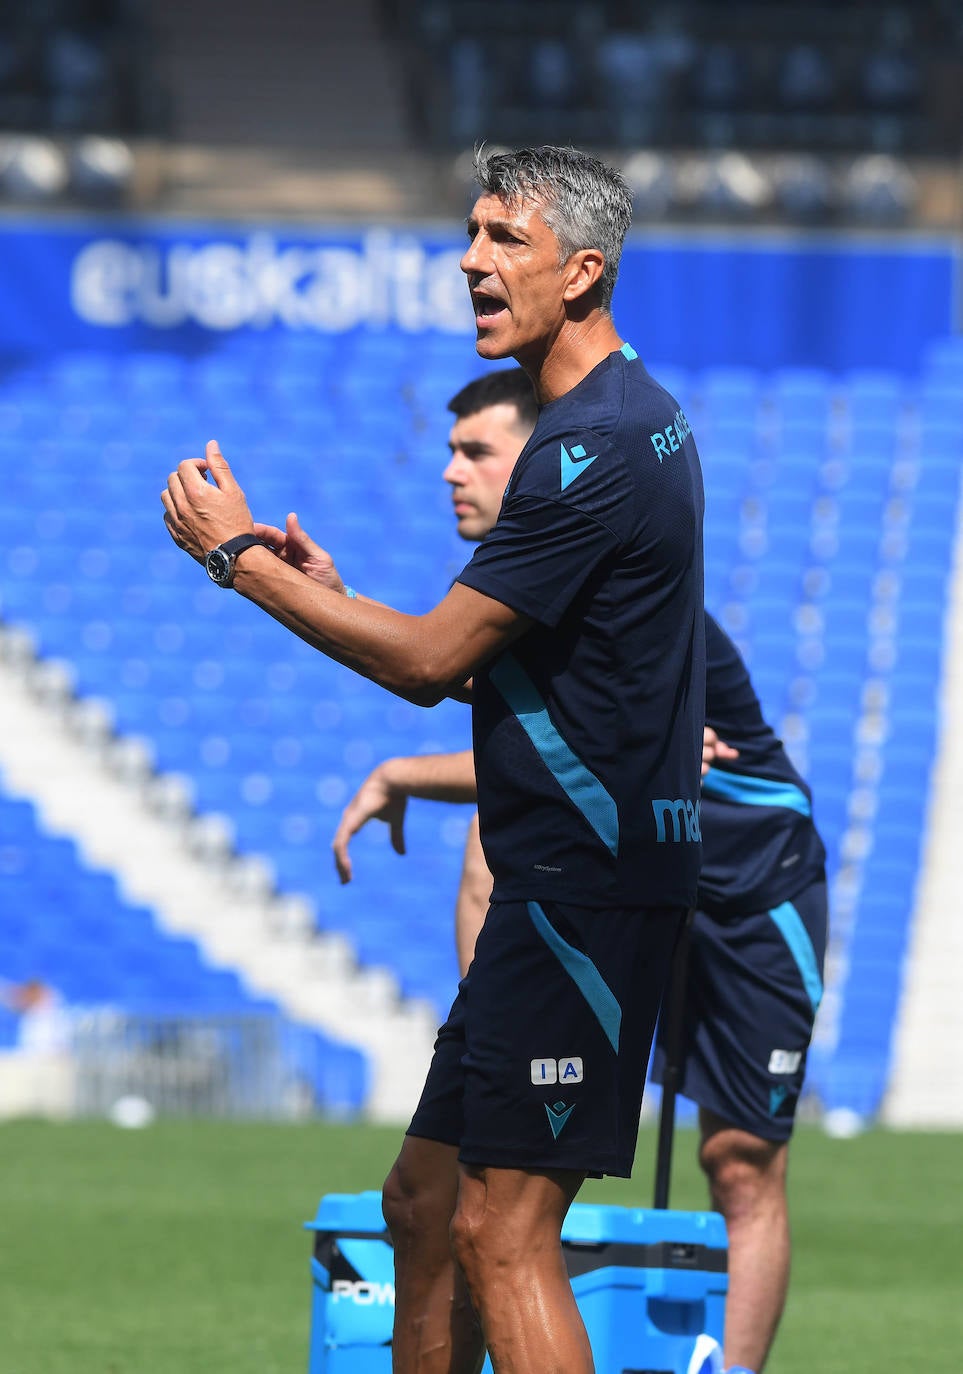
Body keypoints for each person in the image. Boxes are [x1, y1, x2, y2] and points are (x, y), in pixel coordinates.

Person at [162, 144, 706, 1374]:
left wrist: (234, 558)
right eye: (470, 234)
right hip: (566, 885)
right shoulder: (629, 422)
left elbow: (426, 666)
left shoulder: (587, 451)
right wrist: (340, 597)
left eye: (503, 240)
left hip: (583, 888)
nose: (469, 260)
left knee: (504, 1233)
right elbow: (481, 660)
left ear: (582, 273)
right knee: (422, 1209)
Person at [333, 368, 828, 1374]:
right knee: (450, 1206)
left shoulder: (614, 566)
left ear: (545, 461)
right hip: (624, 876)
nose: (448, 472)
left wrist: (401, 769)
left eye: (475, 451)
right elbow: (513, 724)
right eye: (450, 449)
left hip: (754, 876)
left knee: (738, 1162)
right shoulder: (531, 578)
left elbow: (581, 746)